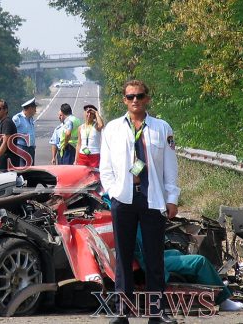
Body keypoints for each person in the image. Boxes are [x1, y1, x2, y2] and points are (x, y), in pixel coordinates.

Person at [99, 79, 180, 324]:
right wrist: (114, 191)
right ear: (124, 100)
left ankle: (157, 313)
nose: (135, 100)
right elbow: (105, 168)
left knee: (155, 256)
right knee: (123, 257)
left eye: (140, 96)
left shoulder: (161, 128)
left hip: (152, 198)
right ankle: (121, 312)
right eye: (130, 96)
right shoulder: (112, 129)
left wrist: (172, 198)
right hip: (123, 198)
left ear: (147, 98)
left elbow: (170, 167)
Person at [133, 229, 243, 312]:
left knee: (176, 252)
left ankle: (211, 281)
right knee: (199, 261)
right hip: (150, 261)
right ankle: (223, 300)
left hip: (152, 256)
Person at [0, 99, 19, 171]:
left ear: (5, 110)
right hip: (6, 160)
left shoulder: (7, 123)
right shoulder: (4, 122)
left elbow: (5, 144)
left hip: (8, 161)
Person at [12, 98, 37, 166]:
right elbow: (11, 132)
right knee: (22, 169)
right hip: (21, 148)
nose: (35, 110)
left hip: (31, 149)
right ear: (29, 108)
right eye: (34, 108)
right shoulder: (17, 118)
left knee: (31, 171)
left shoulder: (31, 118)